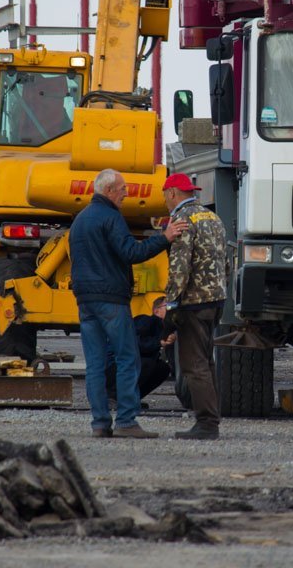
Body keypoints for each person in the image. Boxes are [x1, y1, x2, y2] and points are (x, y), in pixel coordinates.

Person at [70, 168, 187, 439]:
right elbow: (131, 253)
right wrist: (165, 237)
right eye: (122, 188)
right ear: (109, 190)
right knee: (127, 358)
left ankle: (100, 423)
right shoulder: (111, 217)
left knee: (96, 363)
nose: (127, 193)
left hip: (86, 302)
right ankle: (126, 421)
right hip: (110, 299)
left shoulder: (81, 220)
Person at [161, 173, 228, 440]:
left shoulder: (181, 221)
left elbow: (179, 268)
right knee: (207, 361)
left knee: (194, 364)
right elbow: (225, 260)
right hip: (216, 299)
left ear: (172, 193)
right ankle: (212, 416)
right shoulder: (213, 218)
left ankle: (207, 423)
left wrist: (171, 305)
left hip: (193, 302)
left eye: (165, 194)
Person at [105, 296, 174, 402]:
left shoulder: (164, 329)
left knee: (163, 368)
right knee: (147, 363)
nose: (172, 309)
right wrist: (158, 342)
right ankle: (112, 396)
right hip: (114, 365)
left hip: (125, 367)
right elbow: (132, 343)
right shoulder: (147, 321)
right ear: (157, 311)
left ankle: (131, 399)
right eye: (168, 306)